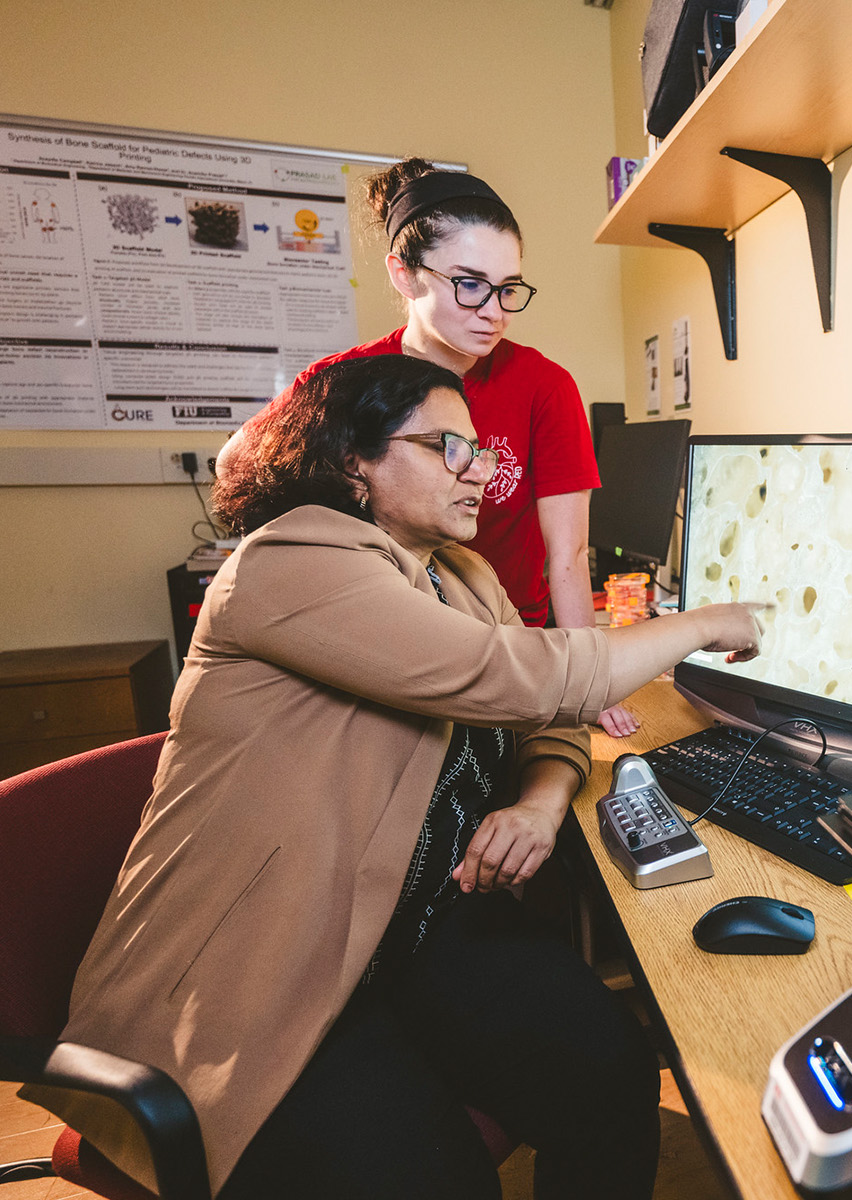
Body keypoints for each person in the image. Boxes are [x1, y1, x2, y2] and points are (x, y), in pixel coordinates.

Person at [28, 356, 761, 1200]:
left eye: (479, 450)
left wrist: (538, 801)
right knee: (433, 1179)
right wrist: (704, 621)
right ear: (353, 463)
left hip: (399, 929)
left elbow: (549, 715)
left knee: (608, 1067)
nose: (478, 470)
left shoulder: (463, 574)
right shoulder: (291, 562)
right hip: (271, 960)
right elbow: (526, 679)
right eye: (448, 447)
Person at [216, 158, 642, 737]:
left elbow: (567, 554)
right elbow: (235, 464)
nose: (492, 312)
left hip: (508, 646)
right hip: (385, 648)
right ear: (404, 274)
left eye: (507, 289)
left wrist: (590, 680)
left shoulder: (544, 385)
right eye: (469, 285)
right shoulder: (345, 380)